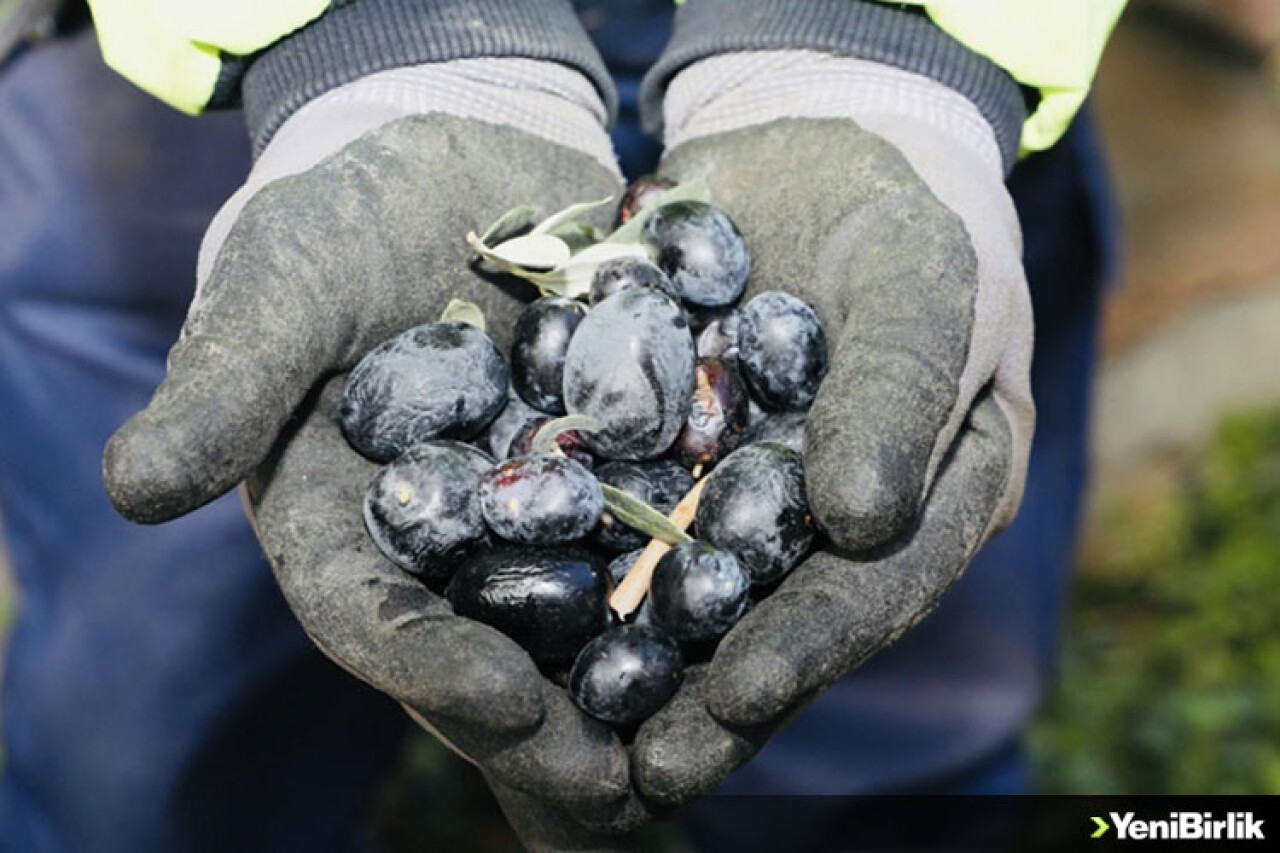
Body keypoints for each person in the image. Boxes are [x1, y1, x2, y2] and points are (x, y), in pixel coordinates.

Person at [0, 1, 1124, 850]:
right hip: (232, 84)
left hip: (875, 65)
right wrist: (364, 33)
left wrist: (886, 46)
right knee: (158, 729)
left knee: (881, 704)